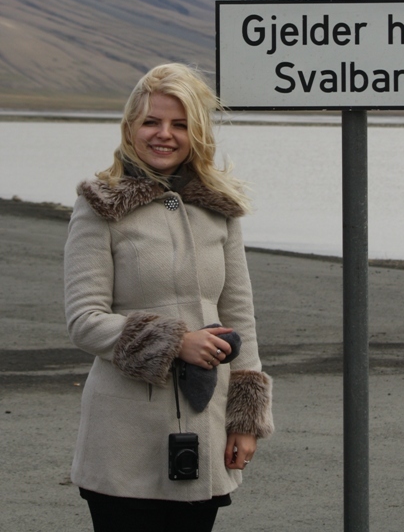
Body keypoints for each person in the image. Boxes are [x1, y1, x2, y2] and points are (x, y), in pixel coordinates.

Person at [64, 63, 273, 532]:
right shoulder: (100, 204)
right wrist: (175, 340)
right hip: (123, 440)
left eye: (180, 124)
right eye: (151, 122)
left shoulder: (219, 209)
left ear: (196, 132)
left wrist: (245, 419)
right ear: (130, 127)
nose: (164, 135)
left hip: (207, 429)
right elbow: (84, 320)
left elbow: (241, 316)